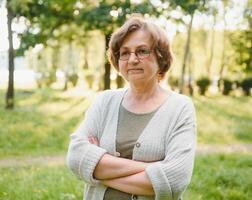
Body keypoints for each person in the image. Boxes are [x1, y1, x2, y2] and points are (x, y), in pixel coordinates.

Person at [67, 16, 196, 200]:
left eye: (142, 51)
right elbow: (76, 157)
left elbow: (175, 179)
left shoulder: (180, 107)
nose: (132, 59)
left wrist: (99, 169)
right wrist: (153, 169)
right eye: (125, 53)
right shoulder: (105, 101)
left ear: (161, 57)